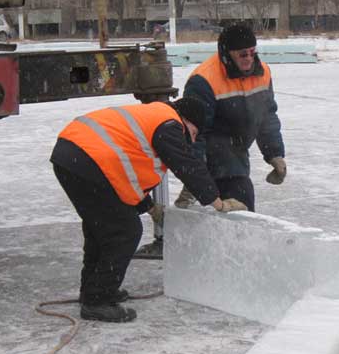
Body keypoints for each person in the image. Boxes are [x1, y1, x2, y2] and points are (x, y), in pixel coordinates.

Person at [51, 97, 247, 323]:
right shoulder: (169, 123)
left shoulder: (154, 117)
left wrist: (149, 206)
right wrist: (216, 200)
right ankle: (98, 301)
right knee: (125, 231)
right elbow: (186, 163)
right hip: (86, 157)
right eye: (194, 134)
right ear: (188, 122)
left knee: (101, 228)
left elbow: (126, 174)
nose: (192, 141)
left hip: (73, 154)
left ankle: (93, 291)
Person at [174, 23, 286, 213]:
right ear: (227, 54)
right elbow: (194, 135)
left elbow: (267, 116)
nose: (249, 59)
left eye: (253, 52)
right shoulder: (204, 81)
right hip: (212, 152)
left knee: (243, 203)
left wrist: (274, 154)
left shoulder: (263, 73)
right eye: (243, 54)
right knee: (238, 199)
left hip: (237, 150)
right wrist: (196, 177)